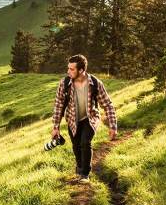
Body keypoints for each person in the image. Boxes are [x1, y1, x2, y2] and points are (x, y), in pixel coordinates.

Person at [50, 54, 117, 183]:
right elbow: (58, 106)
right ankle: (80, 167)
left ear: (81, 70)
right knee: (76, 146)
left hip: (90, 118)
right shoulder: (64, 84)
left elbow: (107, 104)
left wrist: (113, 126)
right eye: (68, 68)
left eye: (72, 69)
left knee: (85, 143)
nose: (68, 71)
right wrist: (55, 127)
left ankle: (85, 174)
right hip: (72, 119)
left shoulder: (95, 83)